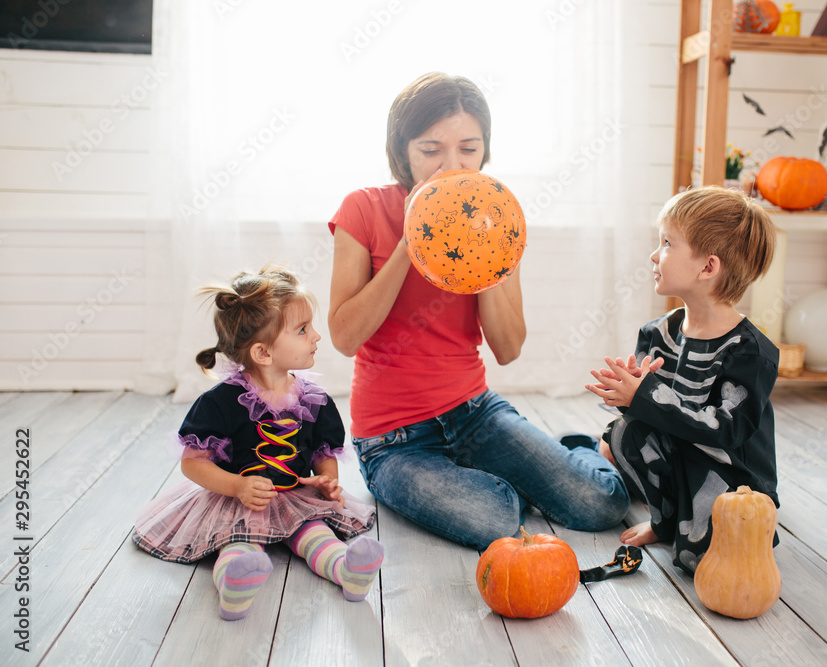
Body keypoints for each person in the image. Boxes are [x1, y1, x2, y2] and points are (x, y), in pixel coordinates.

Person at [327, 72, 630, 550]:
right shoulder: (362, 209)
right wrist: (412, 242)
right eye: (431, 150)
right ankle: (519, 471)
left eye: (468, 149)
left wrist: (486, 253)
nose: (451, 165)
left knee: (602, 504)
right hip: (394, 440)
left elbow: (508, 349)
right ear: (401, 150)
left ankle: (575, 451)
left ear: (485, 149)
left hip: (476, 414)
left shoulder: (496, 216)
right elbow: (344, 337)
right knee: (495, 518)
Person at [133, 266, 383, 620]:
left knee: (316, 531)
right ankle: (234, 585)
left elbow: (322, 452)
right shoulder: (221, 402)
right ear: (263, 353)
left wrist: (327, 480)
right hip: (236, 500)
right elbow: (192, 462)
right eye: (302, 330)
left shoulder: (314, 399)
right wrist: (237, 486)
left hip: (293, 495)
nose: (316, 336)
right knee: (238, 541)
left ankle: (347, 571)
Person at [586, 186, 780, 575]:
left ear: (707, 267)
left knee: (694, 561)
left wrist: (647, 396)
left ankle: (704, 525)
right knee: (622, 433)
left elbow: (724, 431)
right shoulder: (657, 333)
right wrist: (626, 392)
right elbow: (646, 412)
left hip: (730, 476)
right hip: (680, 460)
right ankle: (666, 520)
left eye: (667, 243)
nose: (654, 255)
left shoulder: (749, 352)